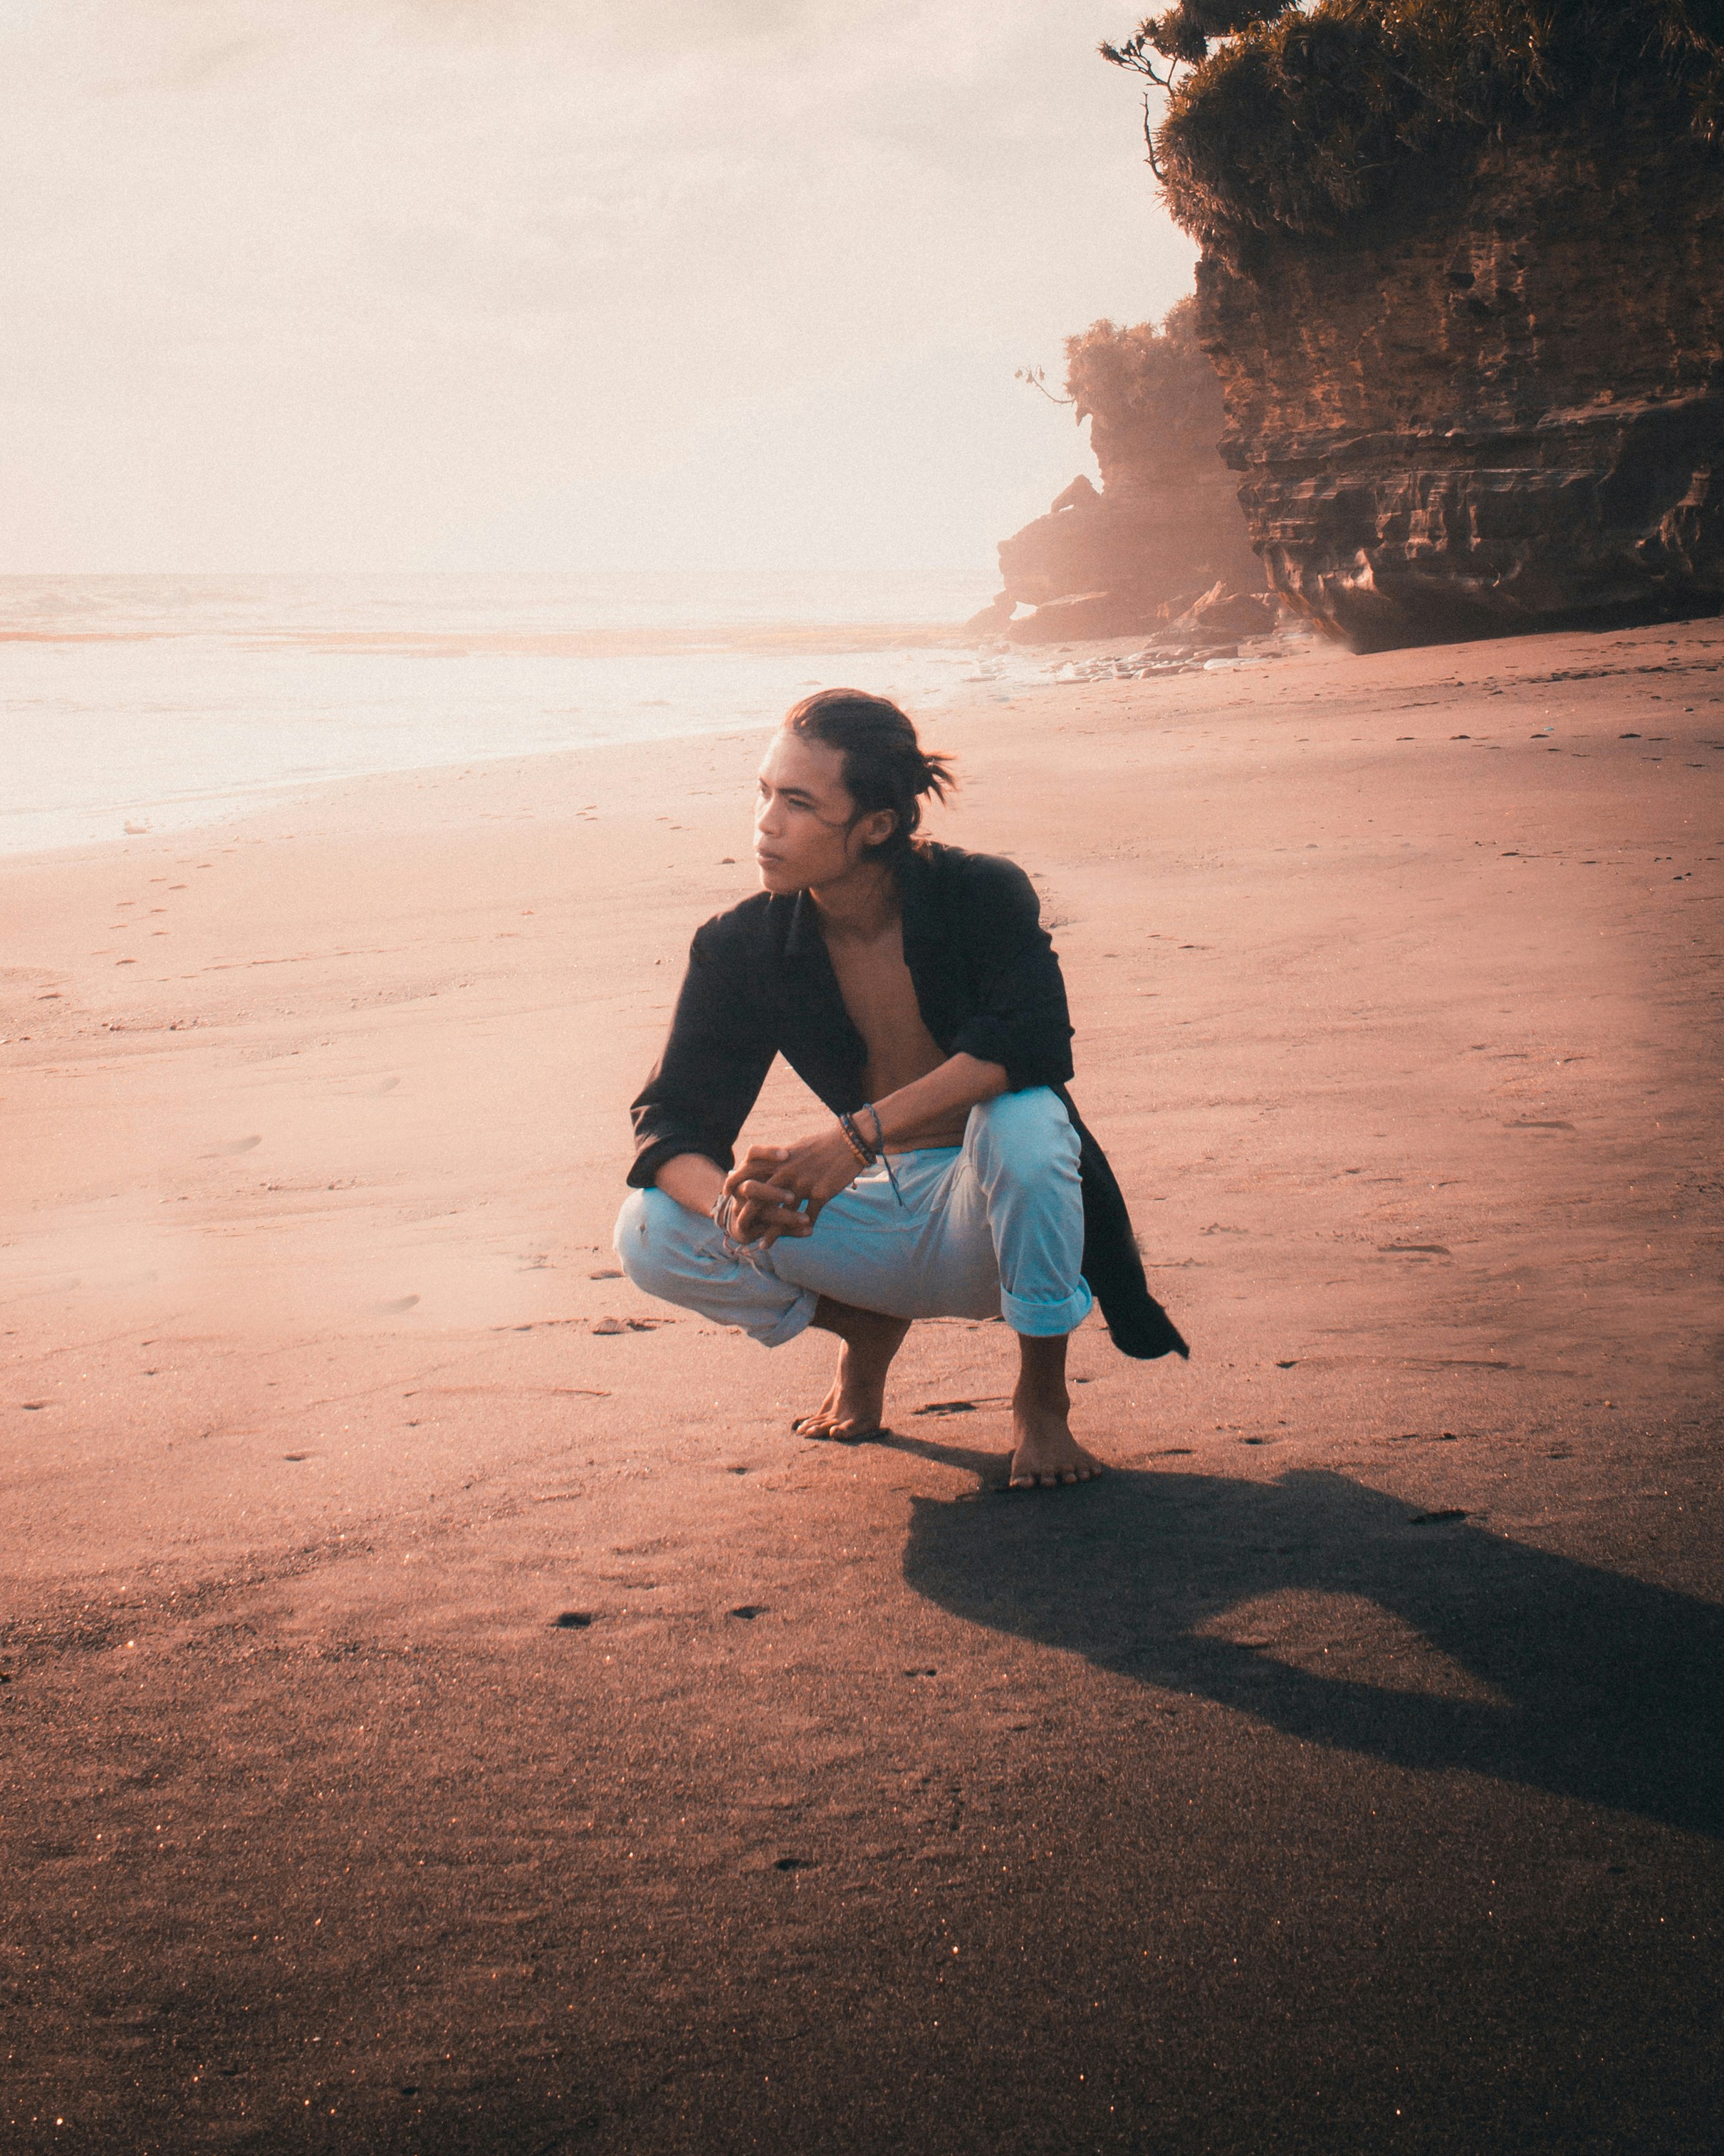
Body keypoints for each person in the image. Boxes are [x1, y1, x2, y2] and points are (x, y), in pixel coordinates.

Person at [614, 689, 1186, 1490]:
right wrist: (731, 1206)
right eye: (765, 791)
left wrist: (853, 1140)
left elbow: (1028, 1042)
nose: (767, 822)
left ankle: (1042, 1404)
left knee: (1025, 1118)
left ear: (877, 825)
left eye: (801, 803)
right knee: (649, 1228)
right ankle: (865, 1331)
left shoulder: (980, 892)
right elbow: (671, 1117)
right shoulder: (741, 944)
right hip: (875, 1216)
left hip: (996, 1216)